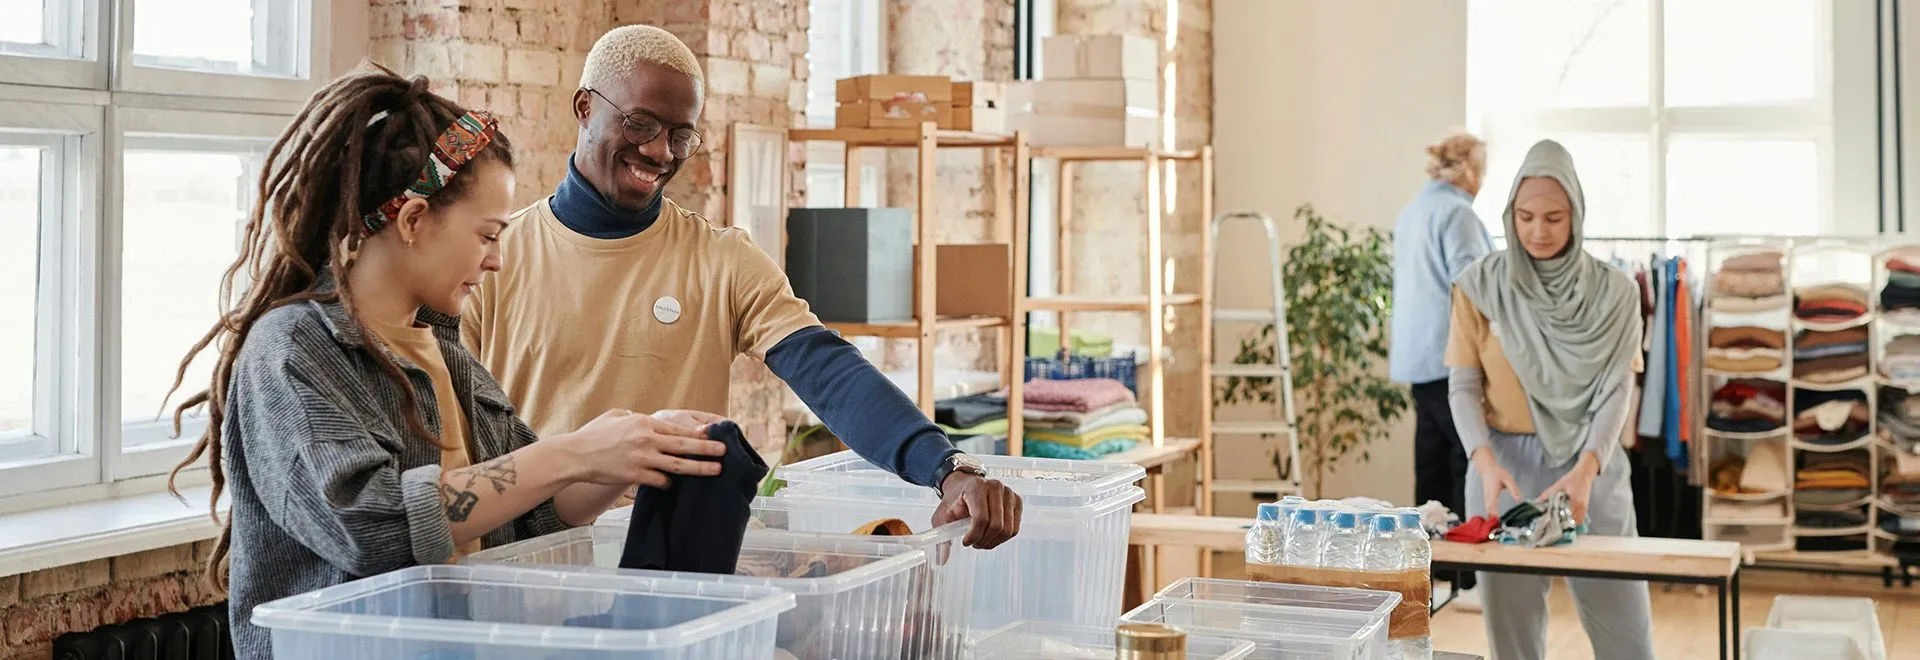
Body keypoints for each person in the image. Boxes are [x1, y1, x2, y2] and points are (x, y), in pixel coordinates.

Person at [162, 68, 728, 659]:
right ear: (412, 221)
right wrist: (571, 453)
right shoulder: (292, 352)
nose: (496, 262)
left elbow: (531, 515)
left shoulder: (445, 350)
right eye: (487, 236)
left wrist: (625, 455)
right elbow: (370, 528)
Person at [459, 25, 1024, 548]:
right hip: (534, 562)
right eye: (640, 124)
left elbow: (826, 369)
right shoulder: (490, 258)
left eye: (681, 135)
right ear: (585, 107)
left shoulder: (722, 258)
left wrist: (946, 467)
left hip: (681, 564)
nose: (659, 152)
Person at [1445, 139, 1654, 660]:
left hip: (1590, 464)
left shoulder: (1617, 293)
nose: (1538, 231)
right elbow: (1464, 386)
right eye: (1526, 216)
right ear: (1510, 214)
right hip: (1503, 469)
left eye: (1555, 218)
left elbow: (1615, 389)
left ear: (1577, 216)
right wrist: (1484, 462)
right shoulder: (1479, 286)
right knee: (1511, 636)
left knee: (1624, 627)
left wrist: (1587, 470)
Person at [1388, 130, 1493, 604]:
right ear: (1469, 170)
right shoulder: (1458, 213)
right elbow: (1473, 286)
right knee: (1466, 458)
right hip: (1448, 355)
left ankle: (1426, 572)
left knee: (1428, 463)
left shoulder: (1413, 211)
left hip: (1414, 354)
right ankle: (1466, 575)